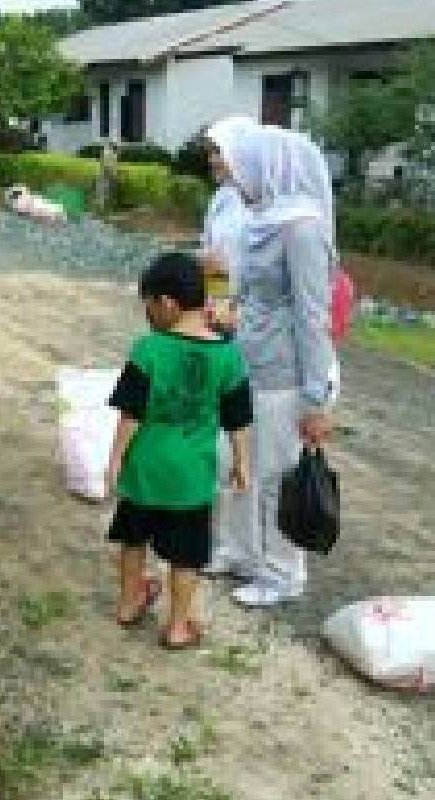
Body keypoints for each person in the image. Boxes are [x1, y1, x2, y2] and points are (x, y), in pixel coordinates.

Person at [214, 124, 339, 608]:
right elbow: (250, 296)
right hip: (247, 362)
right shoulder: (259, 219)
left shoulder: (302, 228)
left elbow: (313, 316)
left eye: (241, 164)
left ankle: (282, 573)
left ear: (269, 166)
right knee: (236, 463)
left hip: (284, 374)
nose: (235, 175)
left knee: (275, 473)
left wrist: (316, 397)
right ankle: (239, 552)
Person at [105, 251, 253, 648]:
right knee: (185, 556)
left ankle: (128, 602)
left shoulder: (147, 350)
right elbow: (238, 419)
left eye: (149, 305)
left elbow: (130, 415)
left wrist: (115, 458)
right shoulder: (227, 355)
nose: (148, 314)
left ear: (167, 303)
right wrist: (242, 463)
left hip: (145, 471)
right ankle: (177, 626)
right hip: (191, 478)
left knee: (133, 540)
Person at [200, 116, 258, 579]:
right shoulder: (221, 199)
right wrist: (214, 295)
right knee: (215, 431)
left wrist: (240, 308)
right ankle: (224, 540)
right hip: (218, 317)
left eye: (218, 151)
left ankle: (246, 546)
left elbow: (264, 274)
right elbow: (217, 260)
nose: (212, 159)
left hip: (249, 325)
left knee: (241, 434)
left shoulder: (262, 201)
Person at [95, 140, 120, 212]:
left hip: (104, 173)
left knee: (102, 190)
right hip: (109, 174)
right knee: (109, 191)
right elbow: (113, 166)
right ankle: (108, 206)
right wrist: (115, 175)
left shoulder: (105, 152)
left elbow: (101, 163)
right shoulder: (113, 155)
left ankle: (102, 205)